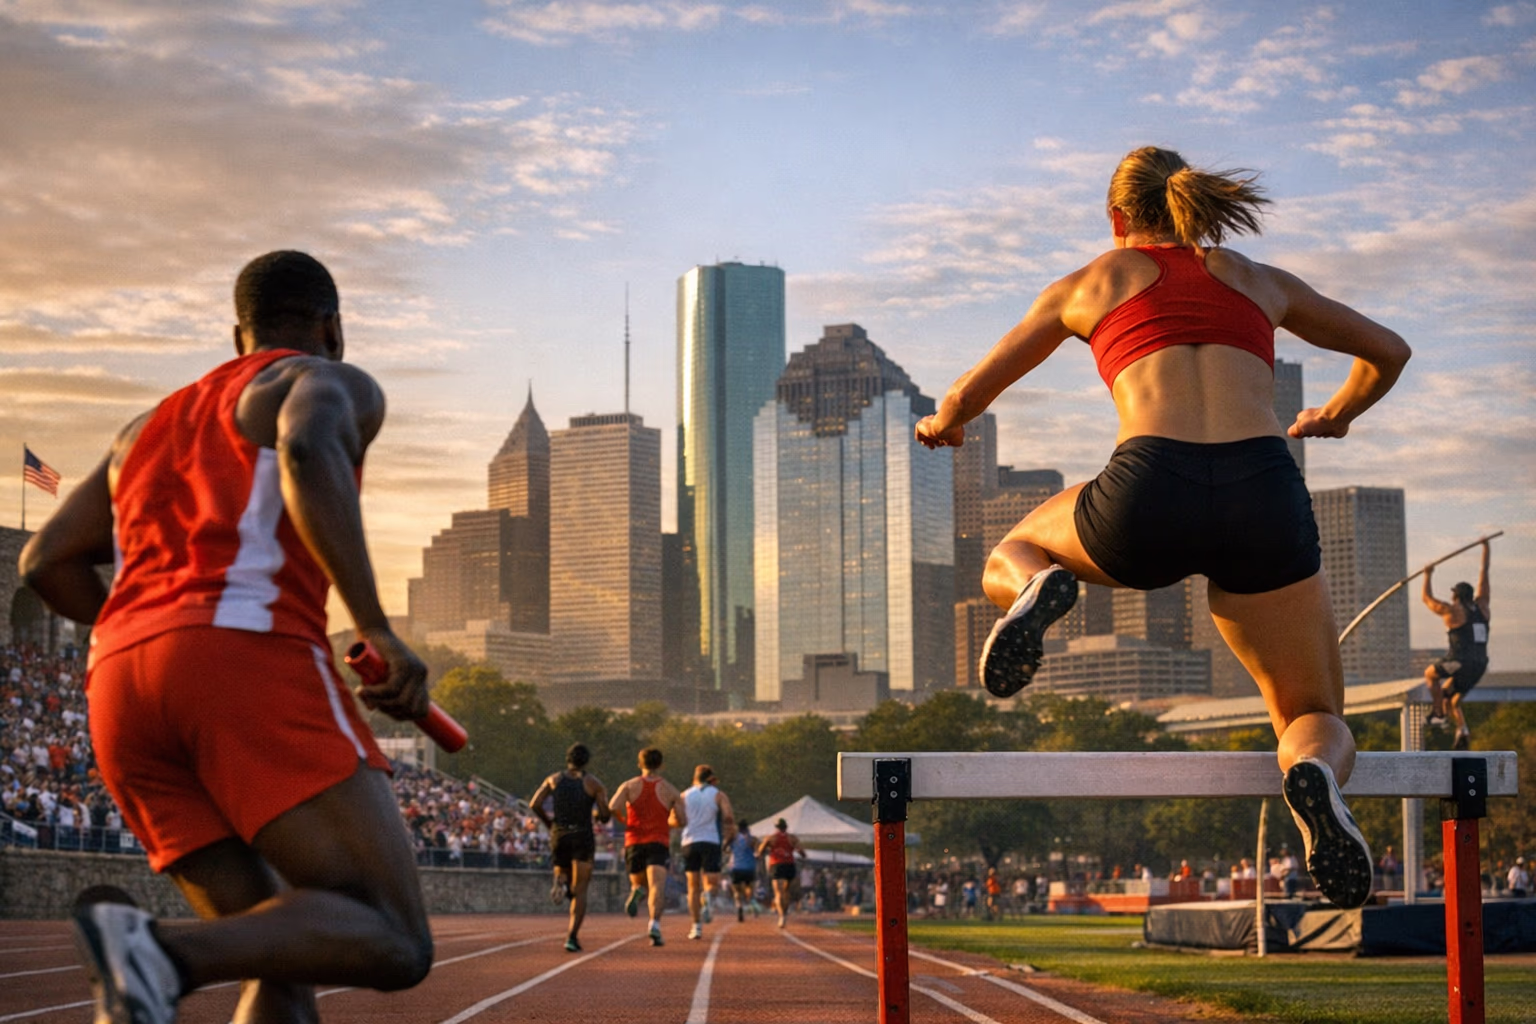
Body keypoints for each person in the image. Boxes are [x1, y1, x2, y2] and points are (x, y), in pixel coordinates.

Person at [915, 146, 1409, 911]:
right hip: (1263, 492)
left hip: (1149, 491)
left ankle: (1039, 585)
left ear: (1117, 217)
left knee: (1013, 551)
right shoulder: (1255, 278)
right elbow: (1388, 350)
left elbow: (967, 393)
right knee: (1312, 713)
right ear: (1191, 206)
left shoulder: (1089, 283)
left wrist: (941, 425)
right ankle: (1310, 776)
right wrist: (1335, 415)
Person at [19, 251, 435, 1024]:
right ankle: (160, 953)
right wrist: (375, 625)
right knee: (391, 935)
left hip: (118, 689)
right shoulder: (323, 379)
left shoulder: (141, 429)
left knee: (279, 950)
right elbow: (307, 451)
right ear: (332, 326)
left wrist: (145, 629)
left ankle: (158, 955)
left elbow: (45, 560)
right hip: (242, 651)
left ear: (235, 333)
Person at [529, 743, 611, 952]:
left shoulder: (553, 779)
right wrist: (597, 812)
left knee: (563, 870)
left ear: (568, 759)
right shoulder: (593, 783)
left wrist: (549, 824)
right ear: (586, 761)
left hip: (560, 834)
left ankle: (561, 881)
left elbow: (534, 804)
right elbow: (604, 815)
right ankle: (572, 937)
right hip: (582, 836)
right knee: (581, 891)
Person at [608, 746, 685, 947]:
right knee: (657, 886)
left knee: (639, 883)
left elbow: (612, 807)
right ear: (661, 765)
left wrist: (624, 819)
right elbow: (682, 820)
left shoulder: (628, 785)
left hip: (634, 840)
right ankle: (654, 925)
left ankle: (635, 891)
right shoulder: (670, 789)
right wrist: (668, 821)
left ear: (639, 764)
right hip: (658, 841)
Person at [1421, 540, 1491, 750]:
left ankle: (1438, 714)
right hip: (1479, 665)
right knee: (1451, 697)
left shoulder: (1452, 611)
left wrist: (1427, 574)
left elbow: (1427, 599)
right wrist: (1486, 548)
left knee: (1429, 674)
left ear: (1456, 596)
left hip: (1460, 661)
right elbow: (1484, 574)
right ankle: (1462, 729)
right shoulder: (1483, 607)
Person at [678, 764, 735, 940]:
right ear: (711, 779)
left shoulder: (683, 795)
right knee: (712, 883)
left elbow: (676, 818)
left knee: (692, 886)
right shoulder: (718, 794)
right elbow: (728, 817)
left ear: (695, 778)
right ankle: (709, 898)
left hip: (689, 841)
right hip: (711, 840)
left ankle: (696, 927)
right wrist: (728, 836)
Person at [757, 817, 806, 929]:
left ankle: (781, 915)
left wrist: (765, 850)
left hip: (776, 865)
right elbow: (801, 851)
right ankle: (785, 913)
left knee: (778, 893)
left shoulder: (771, 838)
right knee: (786, 891)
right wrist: (801, 854)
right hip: (789, 865)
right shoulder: (792, 838)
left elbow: (760, 851)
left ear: (776, 827)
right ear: (786, 827)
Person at [726, 820, 759, 921]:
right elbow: (758, 852)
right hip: (750, 868)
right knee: (750, 888)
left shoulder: (733, 839)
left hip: (737, 868)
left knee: (737, 891)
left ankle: (739, 907)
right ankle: (752, 901)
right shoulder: (752, 839)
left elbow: (725, 847)